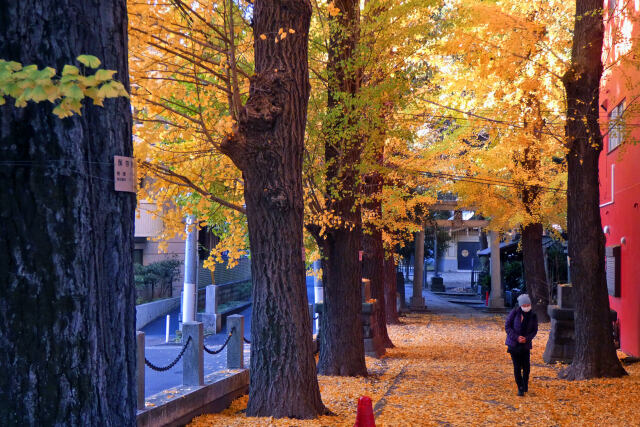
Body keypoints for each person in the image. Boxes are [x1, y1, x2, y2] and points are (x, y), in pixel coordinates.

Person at [505, 294, 538, 396]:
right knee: (517, 366)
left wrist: (526, 338)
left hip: (525, 345)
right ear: (520, 305)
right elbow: (507, 326)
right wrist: (516, 337)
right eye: (525, 305)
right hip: (514, 345)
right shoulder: (514, 313)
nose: (527, 306)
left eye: (528, 304)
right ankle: (520, 387)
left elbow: (534, 330)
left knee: (526, 367)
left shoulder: (533, 315)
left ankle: (525, 384)